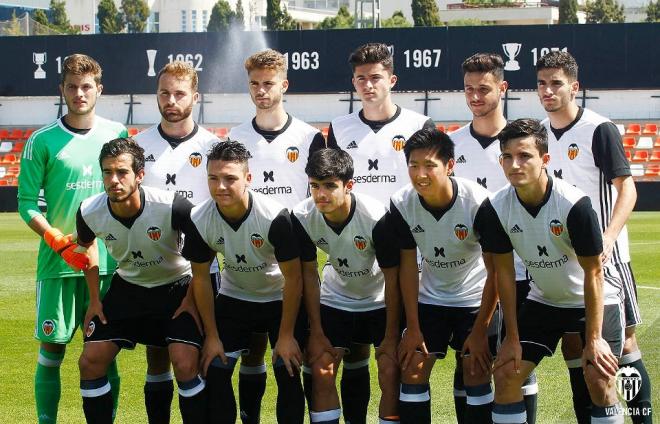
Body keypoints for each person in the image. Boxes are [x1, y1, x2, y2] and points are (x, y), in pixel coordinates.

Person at [309, 43, 434, 422]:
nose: (368, 84)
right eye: (361, 78)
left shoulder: (418, 124)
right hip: (352, 250)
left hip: (404, 250)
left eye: (375, 77)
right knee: (350, 354)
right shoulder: (340, 127)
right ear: (353, 82)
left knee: (395, 359)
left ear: (391, 80)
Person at [475, 118, 624, 424]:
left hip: (594, 302)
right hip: (545, 301)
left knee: (599, 379)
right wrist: (511, 338)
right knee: (506, 375)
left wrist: (594, 338)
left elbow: (594, 273)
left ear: (544, 159)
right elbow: (503, 274)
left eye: (524, 155)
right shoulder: (495, 208)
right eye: (507, 157)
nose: (515, 164)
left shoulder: (574, 205)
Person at [536, 51, 651, 423]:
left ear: (574, 87)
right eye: (542, 83)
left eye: (556, 83)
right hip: (560, 258)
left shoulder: (599, 128)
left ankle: (642, 417)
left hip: (606, 259)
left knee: (625, 347)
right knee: (576, 346)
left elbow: (627, 189)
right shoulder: (537, 134)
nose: (548, 90)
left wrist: (608, 238)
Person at [17, 54, 125, 424]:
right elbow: (27, 203)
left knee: (103, 353)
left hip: (109, 266)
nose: (79, 94)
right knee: (51, 351)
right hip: (58, 265)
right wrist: (56, 240)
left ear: (99, 90)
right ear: (61, 89)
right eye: (72, 87)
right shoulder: (41, 140)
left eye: (86, 87)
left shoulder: (117, 134)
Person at [75, 137, 205, 424]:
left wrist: (192, 300)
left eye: (122, 172)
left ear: (140, 175)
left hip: (176, 286)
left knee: (184, 364)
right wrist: (95, 300)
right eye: (107, 172)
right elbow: (87, 247)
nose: (114, 180)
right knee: (90, 361)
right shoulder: (88, 211)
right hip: (128, 289)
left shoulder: (173, 206)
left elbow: (203, 256)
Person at [227, 49, 324, 422]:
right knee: (250, 354)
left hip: (296, 262)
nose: (261, 91)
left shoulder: (311, 137)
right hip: (247, 261)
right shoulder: (235, 137)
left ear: (284, 84)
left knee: (290, 361)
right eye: (254, 84)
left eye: (268, 84)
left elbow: (317, 199)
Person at [183, 140, 306, 424]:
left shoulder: (274, 217)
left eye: (230, 179)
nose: (220, 186)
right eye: (213, 178)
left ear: (248, 179)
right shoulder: (200, 218)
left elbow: (294, 278)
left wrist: (286, 336)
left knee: (287, 368)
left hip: (277, 299)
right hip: (235, 296)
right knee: (215, 367)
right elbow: (200, 279)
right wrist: (212, 336)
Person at [389, 127, 497, 424]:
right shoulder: (401, 203)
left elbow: (496, 270)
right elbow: (409, 266)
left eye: (429, 166)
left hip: (474, 301)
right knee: (412, 367)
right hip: (431, 299)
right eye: (413, 165)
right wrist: (412, 326)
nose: (420, 174)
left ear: (450, 166)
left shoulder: (479, 203)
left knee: (476, 370)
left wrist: (480, 330)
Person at [452, 52, 537, 423]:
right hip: (470, 280)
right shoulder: (451, 145)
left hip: (522, 274)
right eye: (469, 89)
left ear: (502, 88)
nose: (475, 96)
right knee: (470, 361)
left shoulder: (521, 145)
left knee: (514, 366)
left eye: (483, 89)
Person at [134, 61, 220, 423]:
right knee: (157, 357)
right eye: (164, 93)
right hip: (153, 270)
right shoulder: (137, 145)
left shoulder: (214, 146)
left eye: (179, 93)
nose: (171, 100)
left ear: (195, 97)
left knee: (193, 357)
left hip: (200, 271)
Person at [292, 148, 400, 424]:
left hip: (378, 301)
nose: (321, 194)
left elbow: (393, 277)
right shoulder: (302, 217)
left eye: (329, 186)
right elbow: (308, 273)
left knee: (389, 370)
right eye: (314, 186)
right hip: (336, 299)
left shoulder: (377, 217)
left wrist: (390, 335)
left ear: (348, 185)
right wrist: (316, 330)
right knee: (322, 369)